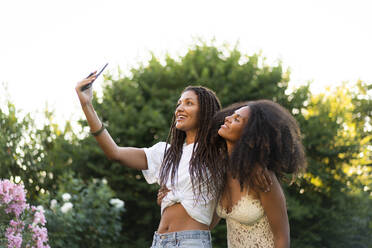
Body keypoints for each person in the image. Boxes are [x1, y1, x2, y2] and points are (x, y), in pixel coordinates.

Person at [75, 72, 223, 247]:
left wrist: (200, 227)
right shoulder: (166, 153)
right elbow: (115, 153)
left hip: (191, 241)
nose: (179, 108)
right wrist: (86, 104)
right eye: (179, 103)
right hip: (159, 241)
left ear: (205, 111)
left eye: (189, 103)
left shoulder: (216, 154)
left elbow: (221, 207)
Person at [213, 100, 307, 248]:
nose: (228, 118)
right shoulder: (221, 172)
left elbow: (282, 238)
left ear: (249, 136)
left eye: (237, 119)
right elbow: (204, 222)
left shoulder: (262, 177)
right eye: (232, 115)